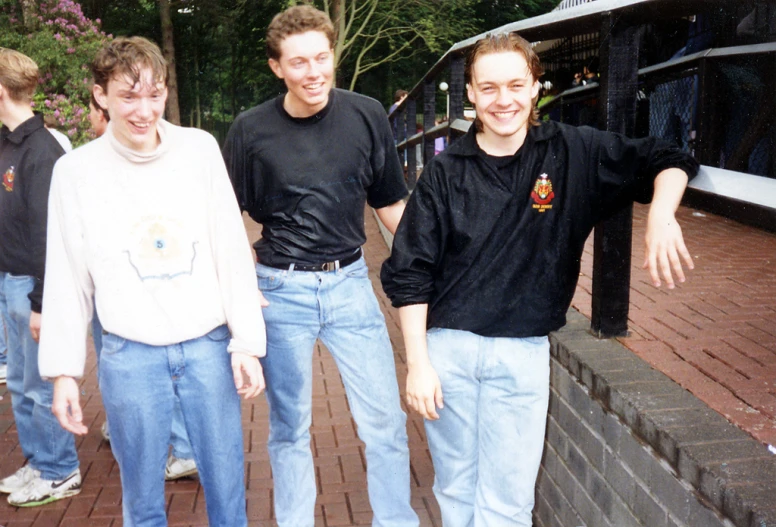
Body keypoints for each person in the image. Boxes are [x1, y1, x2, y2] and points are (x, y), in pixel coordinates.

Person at [381, 32, 699, 527]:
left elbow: (668, 158)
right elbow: (410, 271)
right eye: (488, 88)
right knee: (456, 491)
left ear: (536, 88)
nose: (502, 100)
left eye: (515, 85)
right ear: (469, 93)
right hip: (448, 354)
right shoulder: (445, 172)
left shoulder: (573, 152)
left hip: (521, 354)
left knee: (508, 507)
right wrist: (417, 364)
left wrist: (661, 214)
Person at [38, 36, 266, 525]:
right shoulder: (74, 173)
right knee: (141, 499)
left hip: (208, 347)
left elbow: (229, 246)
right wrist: (63, 372)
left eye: (155, 94)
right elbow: (67, 277)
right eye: (128, 96)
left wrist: (246, 341)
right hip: (129, 355)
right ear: (100, 95)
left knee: (228, 489)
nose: (144, 110)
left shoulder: (200, 150)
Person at [222, 6, 418, 527]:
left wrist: (438, 258)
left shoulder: (366, 114)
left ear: (334, 55)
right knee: (289, 428)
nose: (314, 72)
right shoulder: (250, 130)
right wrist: (245, 290)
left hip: (351, 285)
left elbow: (391, 205)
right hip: (279, 290)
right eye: (299, 62)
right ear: (276, 67)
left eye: (322, 58)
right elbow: (222, 221)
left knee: (385, 421)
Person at [86, 91, 198, 480]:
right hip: (115, 292)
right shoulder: (85, 167)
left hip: (136, 292)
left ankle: (172, 445)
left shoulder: (171, 157)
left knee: (151, 369)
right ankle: (155, 441)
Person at [0, 47, 81, 507]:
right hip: (7, 280)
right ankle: (38, 460)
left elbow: (49, 235)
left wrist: (41, 303)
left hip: (30, 288)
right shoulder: (8, 143)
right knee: (18, 383)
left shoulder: (43, 151)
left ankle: (60, 469)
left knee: (42, 381)